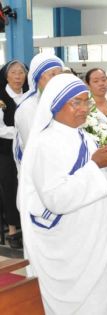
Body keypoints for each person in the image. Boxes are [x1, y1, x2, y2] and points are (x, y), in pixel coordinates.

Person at [17, 74, 107, 314]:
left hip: (98, 239)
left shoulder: (85, 137)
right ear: (56, 105)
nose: (83, 109)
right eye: (75, 103)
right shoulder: (44, 144)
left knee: (104, 299)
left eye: (85, 102)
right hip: (71, 245)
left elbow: (102, 180)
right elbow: (56, 198)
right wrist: (96, 166)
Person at [14, 53, 64, 166]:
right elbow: (33, 146)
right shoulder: (27, 107)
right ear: (38, 78)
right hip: (38, 169)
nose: (58, 78)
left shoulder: (61, 101)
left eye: (60, 74)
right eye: (52, 74)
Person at [0, 60, 28, 249]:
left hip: (28, 150)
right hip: (7, 151)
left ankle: (27, 224)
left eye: (21, 73)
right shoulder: (1, 98)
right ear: (6, 76)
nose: (18, 76)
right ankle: (12, 229)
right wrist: (21, 134)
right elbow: (1, 129)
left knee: (26, 185)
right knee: (10, 186)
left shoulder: (30, 97)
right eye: (14, 73)